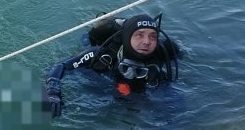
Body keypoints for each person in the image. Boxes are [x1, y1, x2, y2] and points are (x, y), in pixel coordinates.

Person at [43, 12, 180, 117]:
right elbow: (61, 66)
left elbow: (173, 105)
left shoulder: (157, 68)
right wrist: (53, 92)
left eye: (152, 36)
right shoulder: (101, 53)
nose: (146, 41)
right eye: (139, 35)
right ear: (127, 36)